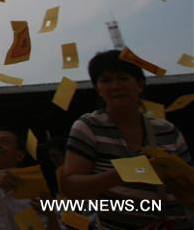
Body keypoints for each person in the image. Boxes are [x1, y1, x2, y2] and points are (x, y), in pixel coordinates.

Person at [61, 50, 192, 230]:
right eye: (106, 80)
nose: (115, 86)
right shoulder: (88, 126)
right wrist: (127, 173)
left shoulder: (168, 130)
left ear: (139, 84)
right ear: (98, 89)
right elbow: (71, 187)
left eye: (123, 78)